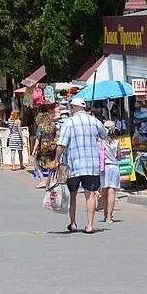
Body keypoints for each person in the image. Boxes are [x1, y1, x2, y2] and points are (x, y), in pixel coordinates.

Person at [55, 97, 108, 234]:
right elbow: (105, 135)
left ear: (73, 108)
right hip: (91, 164)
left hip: (73, 164)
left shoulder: (69, 123)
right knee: (90, 194)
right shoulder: (95, 121)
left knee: (72, 194)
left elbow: (61, 144)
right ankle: (90, 225)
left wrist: (56, 159)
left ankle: (73, 223)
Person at [99, 122, 120, 224]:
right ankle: (109, 216)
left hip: (103, 167)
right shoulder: (116, 142)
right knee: (112, 193)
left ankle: (104, 214)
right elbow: (119, 157)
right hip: (113, 167)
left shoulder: (101, 141)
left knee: (104, 192)